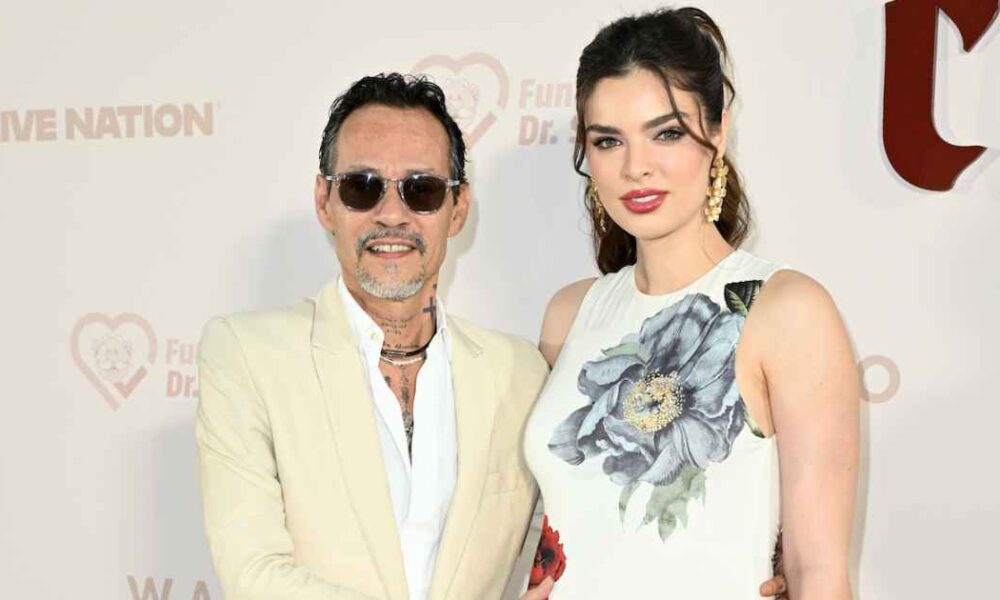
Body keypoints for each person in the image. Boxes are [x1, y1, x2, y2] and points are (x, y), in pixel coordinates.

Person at [521, 8, 859, 599]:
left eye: (667, 133)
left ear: (718, 132)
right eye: (608, 141)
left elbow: (819, 573)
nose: (636, 167)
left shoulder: (785, 310)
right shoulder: (569, 314)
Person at [195, 73, 547, 600]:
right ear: (324, 201)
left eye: (422, 190)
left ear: (458, 208)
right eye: (362, 187)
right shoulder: (247, 356)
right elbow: (255, 576)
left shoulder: (520, 374)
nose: (391, 214)